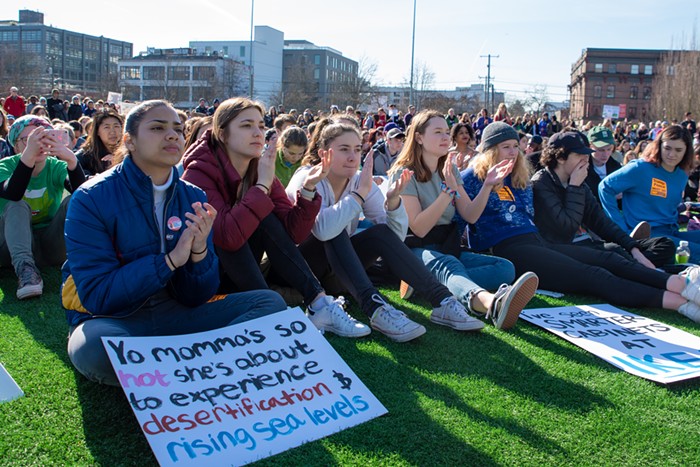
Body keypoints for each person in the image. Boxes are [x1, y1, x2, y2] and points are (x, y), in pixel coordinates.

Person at [63, 100, 287, 386]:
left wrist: (198, 254)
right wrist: (168, 262)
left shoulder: (193, 195)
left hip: (177, 313)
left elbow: (196, 296)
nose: (172, 135)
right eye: (157, 128)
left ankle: (183, 366)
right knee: (94, 349)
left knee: (269, 304)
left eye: (178, 130)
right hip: (116, 320)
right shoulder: (90, 197)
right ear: (129, 142)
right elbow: (98, 295)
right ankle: (199, 364)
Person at [461, 122, 700, 322]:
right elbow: (464, 219)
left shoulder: (518, 176)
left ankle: (680, 284)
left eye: (516, 146)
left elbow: (599, 221)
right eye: (506, 147)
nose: (514, 152)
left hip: (538, 242)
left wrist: (633, 247)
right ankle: (680, 303)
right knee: (594, 274)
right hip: (509, 249)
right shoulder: (479, 177)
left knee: (610, 257)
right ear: (491, 151)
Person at [181, 98, 369, 338]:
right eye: (246, 125)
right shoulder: (198, 171)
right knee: (240, 218)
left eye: (261, 125)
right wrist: (261, 187)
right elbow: (226, 237)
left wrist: (309, 190)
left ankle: (319, 304)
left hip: (247, 273)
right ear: (222, 134)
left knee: (266, 216)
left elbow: (294, 234)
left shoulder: (260, 166)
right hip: (207, 283)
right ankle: (271, 311)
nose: (258, 132)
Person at [288, 120, 488, 342]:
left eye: (357, 149)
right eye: (344, 150)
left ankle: (442, 301)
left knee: (379, 232)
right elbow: (323, 231)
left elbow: (394, 238)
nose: (353, 157)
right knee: (336, 228)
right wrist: (358, 196)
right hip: (296, 270)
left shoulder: (358, 181)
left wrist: (392, 203)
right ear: (324, 153)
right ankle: (375, 309)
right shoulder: (306, 176)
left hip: (335, 274)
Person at [389, 111, 538, 330]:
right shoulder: (404, 173)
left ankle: (421, 283)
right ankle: (491, 304)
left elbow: (470, 214)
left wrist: (488, 184)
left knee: (505, 268)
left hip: (446, 246)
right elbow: (419, 229)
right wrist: (447, 192)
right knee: (451, 265)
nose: (445, 138)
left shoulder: (450, 170)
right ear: (419, 137)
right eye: (437, 132)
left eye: (446, 132)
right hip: (412, 248)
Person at [532, 129, 675, 269]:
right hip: (564, 249)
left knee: (664, 244)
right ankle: (633, 266)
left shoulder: (577, 180)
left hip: (589, 242)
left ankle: (632, 264)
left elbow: (600, 220)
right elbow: (567, 229)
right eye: (579, 155)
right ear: (560, 157)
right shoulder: (542, 183)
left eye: (586, 154)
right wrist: (574, 187)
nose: (585, 159)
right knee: (614, 252)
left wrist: (632, 247)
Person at [1, 115, 85, 299]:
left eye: (42, 137)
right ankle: (26, 270)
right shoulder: (5, 166)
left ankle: (89, 262)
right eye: (28, 140)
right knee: (17, 204)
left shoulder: (56, 166)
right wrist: (28, 157)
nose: (36, 144)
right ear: (16, 146)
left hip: (48, 246)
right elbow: (13, 192)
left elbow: (82, 192)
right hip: (9, 248)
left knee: (76, 201)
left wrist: (72, 160)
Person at [600, 125, 700, 260]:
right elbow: (605, 187)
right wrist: (621, 228)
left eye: (678, 150)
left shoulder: (681, 174)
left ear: (686, 151)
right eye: (667, 148)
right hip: (649, 236)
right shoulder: (640, 168)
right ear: (659, 146)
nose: (672, 154)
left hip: (672, 232)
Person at [75, 110, 124, 177]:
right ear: (97, 131)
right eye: (107, 127)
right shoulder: (86, 155)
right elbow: (73, 175)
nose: (112, 132)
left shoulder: (130, 152)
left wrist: (119, 160)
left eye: (116, 126)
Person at [584, 125, 620, 202]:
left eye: (609, 149)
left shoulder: (617, 168)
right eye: (601, 150)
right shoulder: (581, 168)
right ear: (590, 147)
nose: (605, 154)